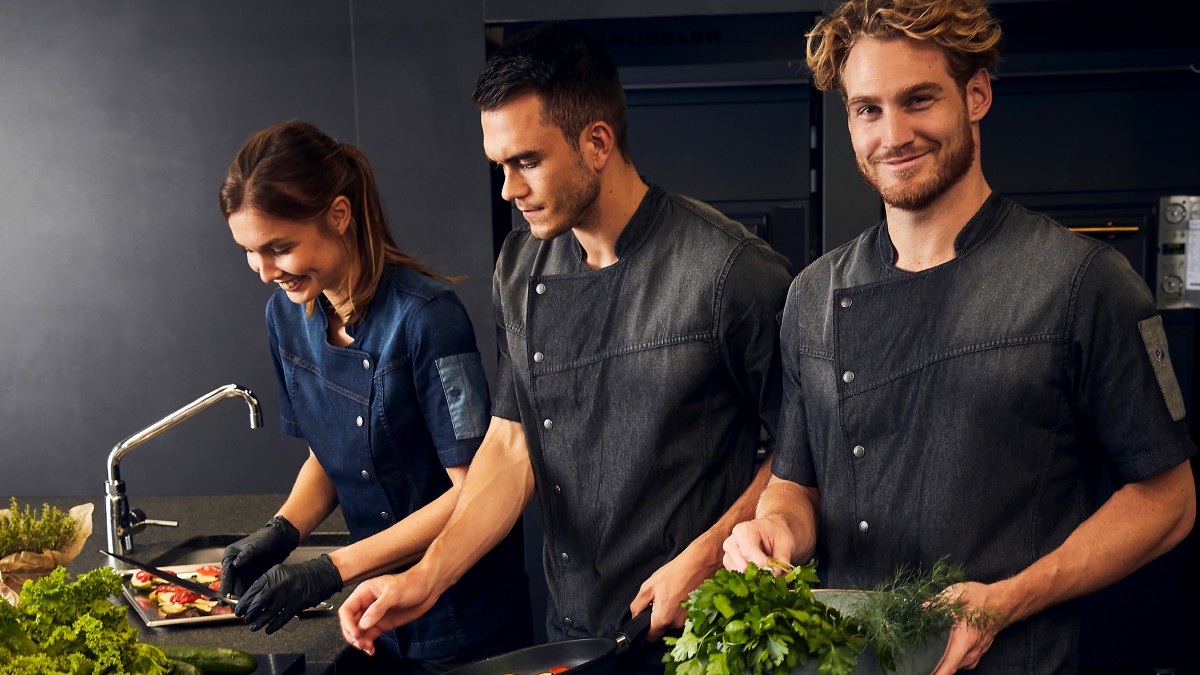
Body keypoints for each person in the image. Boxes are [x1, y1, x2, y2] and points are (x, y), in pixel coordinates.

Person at [721, 1, 1197, 673]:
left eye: (919, 100)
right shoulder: (814, 296)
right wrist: (774, 528)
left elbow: (1170, 501)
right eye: (867, 109)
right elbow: (797, 484)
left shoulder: (1083, 283)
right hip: (849, 661)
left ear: (976, 95)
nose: (893, 134)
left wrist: (1006, 599)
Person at [337, 22, 794, 673]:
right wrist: (426, 576)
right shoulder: (521, 266)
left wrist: (710, 554)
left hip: (702, 631)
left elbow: (802, 449)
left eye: (526, 162)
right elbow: (510, 445)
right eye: (500, 166)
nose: (508, 189)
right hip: (574, 635)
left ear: (597, 143)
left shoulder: (730, 271)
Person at [216, 120, 532, 674]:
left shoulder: (429, 320)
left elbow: (474, 489)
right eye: (250, 251)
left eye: (279, 248)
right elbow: (329, 452)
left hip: (464, 617)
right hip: (372, 616)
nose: (264, 272)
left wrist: (331, 569)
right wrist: (282, 531)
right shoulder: (287, 316)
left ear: (338, 215)